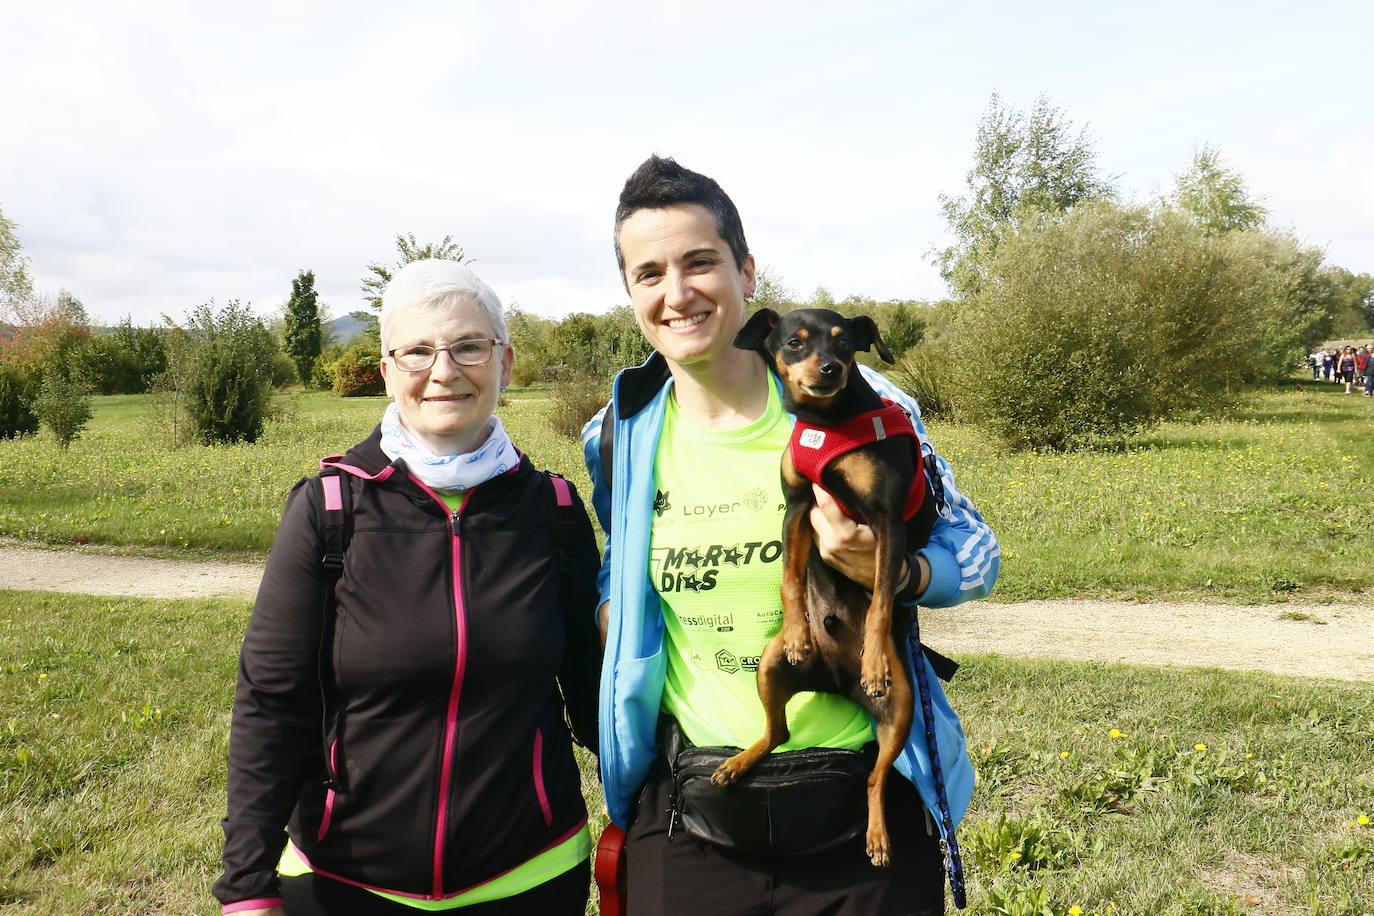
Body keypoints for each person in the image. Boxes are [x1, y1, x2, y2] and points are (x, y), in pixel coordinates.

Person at [583, 156, 1000, 915]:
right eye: (649, 273)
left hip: (858, 823)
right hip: (692, 818)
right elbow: (621, 570)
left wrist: (900, 574)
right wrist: (615, 615)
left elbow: (978, 555)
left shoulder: (868, 411)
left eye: (699, 262)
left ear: (746, 271)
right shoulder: (620, 435)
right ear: (632, 294)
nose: (677, 294)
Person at [214, 260, 603, 916]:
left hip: (530, 879)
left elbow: (595, 695)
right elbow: (271, 703)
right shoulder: (329, 509)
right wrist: (247, 886)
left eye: (468, 346)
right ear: (389, 372)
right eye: (418, 351)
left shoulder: (555, 511)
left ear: (504, 363)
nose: (444, 370)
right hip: (347, 885)